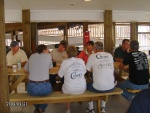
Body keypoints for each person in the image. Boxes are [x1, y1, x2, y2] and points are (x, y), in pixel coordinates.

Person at [86, 41, 115, 113]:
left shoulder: (92, 56)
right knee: (104, 80)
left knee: (86, 84)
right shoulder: (110, 55)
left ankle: (91, 109)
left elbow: (87, 69)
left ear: (95, 48)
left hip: (97, 88)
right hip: (111, 87)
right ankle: (103, 107)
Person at [24, 44, 53, 113]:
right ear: (43, 50)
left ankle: (38, 109)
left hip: (31, 88)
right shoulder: (48, 56)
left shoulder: (32, 56)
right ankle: (41, 109)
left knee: (35, 96)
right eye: (47, 49)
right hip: (44, 87)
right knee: (51, 91)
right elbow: (50, 68)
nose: (48, 51)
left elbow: (25, 70)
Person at [58, 46, 86, 113]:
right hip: (82, 88)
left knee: (67, 84)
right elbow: (84, 72)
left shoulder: (65, 62)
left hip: (69, 89)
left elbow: (60, 75)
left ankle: (68, 109)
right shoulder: (81, 61)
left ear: (67, 53)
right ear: (76, 53)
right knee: (71, 83)